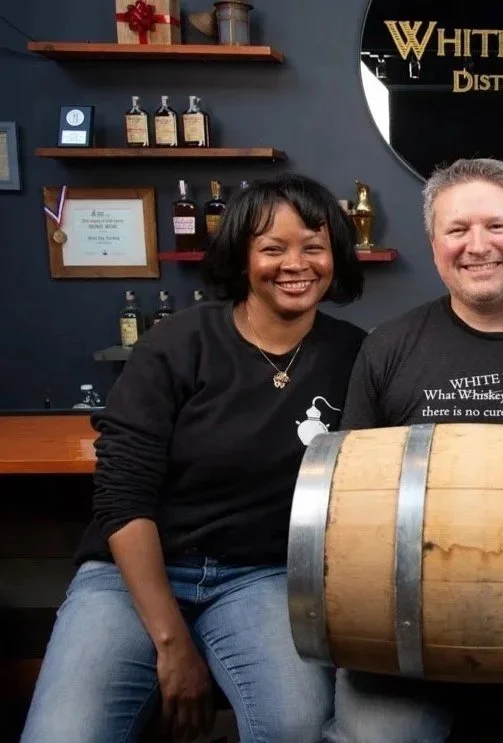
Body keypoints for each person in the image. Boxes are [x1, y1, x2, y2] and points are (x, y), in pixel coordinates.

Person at [20, 174, 367, 743]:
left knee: (297, 727)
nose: (295, 264)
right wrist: (172, 643)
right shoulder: (178, 342)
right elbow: (120, 496)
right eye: (272, 248)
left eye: (313, 246)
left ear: (335, 256)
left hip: (265, 577)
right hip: (131, 576)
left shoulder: (356, 354)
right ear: (241, 254)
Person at [323, 157, 503, 743]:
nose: (476, 245)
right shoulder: (388, 348)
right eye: (457, 230)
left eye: (497, 226)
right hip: (410, 622)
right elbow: (349, 509)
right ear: (435, 246)